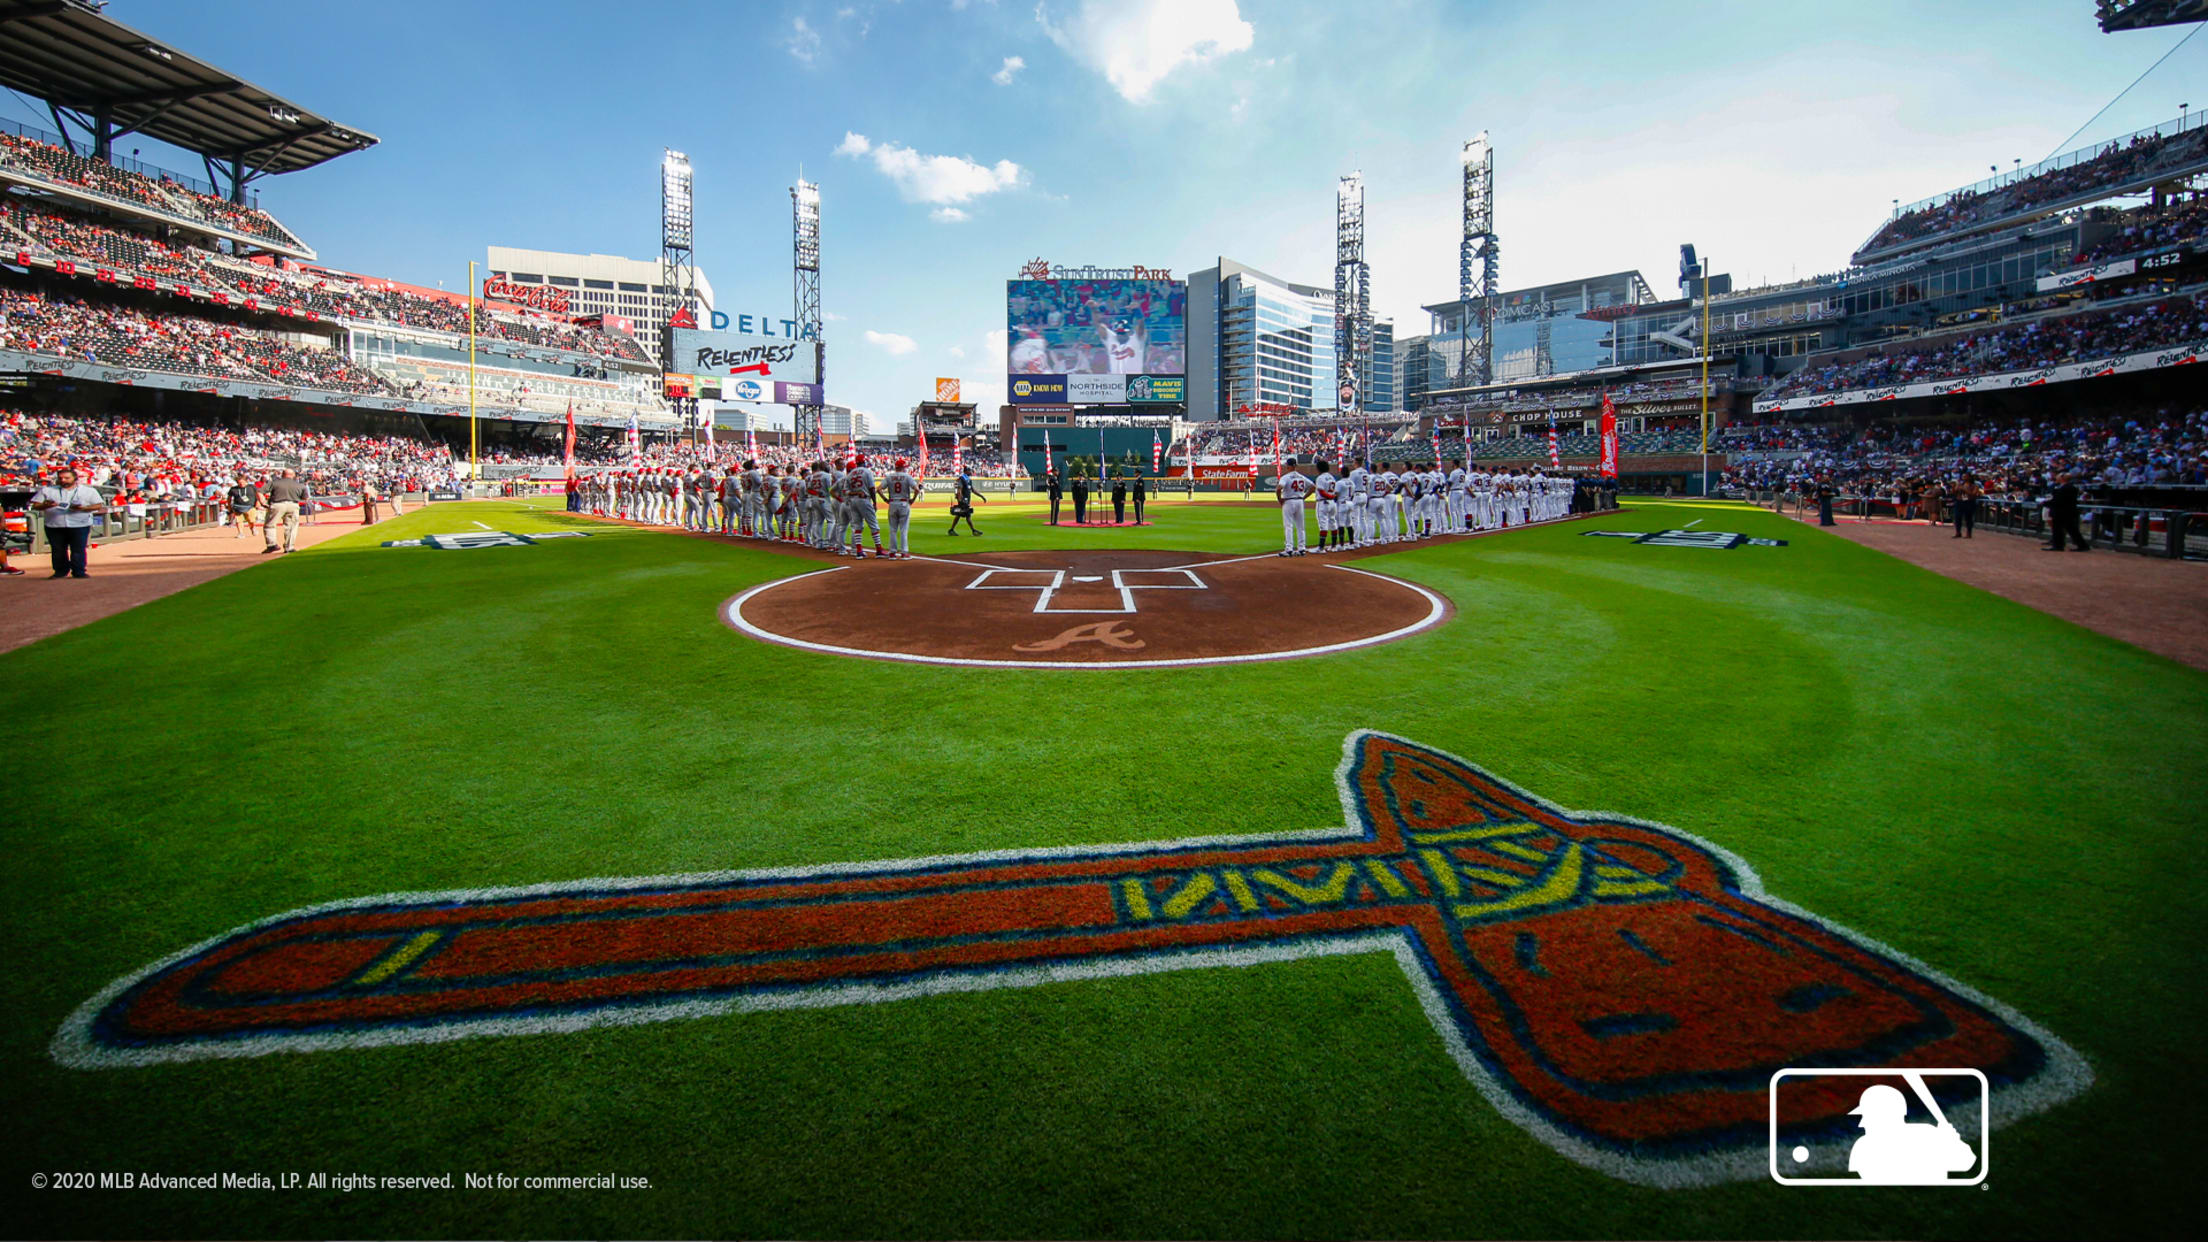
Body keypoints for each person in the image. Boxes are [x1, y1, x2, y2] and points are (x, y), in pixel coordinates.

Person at [31, 466, 104, 578]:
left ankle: (79, 571)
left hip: (79, 524)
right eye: (61, 478)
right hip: (54, 525)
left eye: (67, 478)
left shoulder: (88, 490)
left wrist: (83, 508)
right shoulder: (48, 490)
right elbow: (35, 505)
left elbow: (98, 505)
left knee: (78, 549)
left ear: (75, 479)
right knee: (58, 550)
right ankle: (60, 571)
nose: (63, 480)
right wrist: (46, 505)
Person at [880, 457, 920, 559]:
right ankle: (904, 552)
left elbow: (878, 489)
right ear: (903, 467)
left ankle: (892, 552)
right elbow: (917, 489)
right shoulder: (907, 476)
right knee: (903, 530)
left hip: (892, 503)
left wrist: (885, 499)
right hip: (903, 503)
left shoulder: (889, 477)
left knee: (892, 529)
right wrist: (912, 500)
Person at [262, 468, 309, 555]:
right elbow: (305, 498)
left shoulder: (274, 483)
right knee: (291, 527)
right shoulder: (300, 485)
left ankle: (272, 544)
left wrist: (263, 502)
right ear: (293, 475)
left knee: (270, 525)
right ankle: (289, 547)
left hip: (277, 504)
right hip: (293, 505)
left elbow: (259, 491)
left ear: (282, 474)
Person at [1276, 456, 1315, 556]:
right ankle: (1302, 548)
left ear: (1288, 466)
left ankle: (1289, 549)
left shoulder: (1285, 477)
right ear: (1296, 466)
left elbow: (1278, 488)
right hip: (1299, 501)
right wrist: (1304, 497)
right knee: (1300, 526)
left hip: (1289, 501)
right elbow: (1313, 487)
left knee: (1288, 525)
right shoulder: (1301, 476)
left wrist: (1280, 500)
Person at [2044, 473, 2089, 552]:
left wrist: (2046, 503)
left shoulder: (2067, 488)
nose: (2056, 477)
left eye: (2058, 476)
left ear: (2062, 478)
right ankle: (2060, 545)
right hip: (2063, 511)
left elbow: (2059, 500)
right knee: (2069, 529)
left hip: (2063, 511)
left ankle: (2059, 546)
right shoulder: (2064, 487)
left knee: (2064, 529)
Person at [948, 466, 986, 536]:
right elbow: (959, 490)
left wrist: (981, 496)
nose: (971, 472)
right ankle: (973, 531)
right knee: (967, 515)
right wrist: (960, 499)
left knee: (959, 515)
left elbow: (973, 490)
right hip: (963, 501)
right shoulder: (962, 479)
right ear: (966, 471)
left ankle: (951, 530)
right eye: (969, 471)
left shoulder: (968, 479)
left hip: (966, 500)